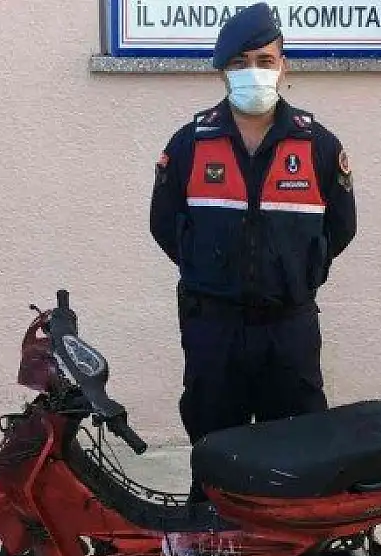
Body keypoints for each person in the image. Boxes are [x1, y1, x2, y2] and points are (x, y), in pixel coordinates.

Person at [149, 2, 357, 498]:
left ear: (284, 66)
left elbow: (341, 229)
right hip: (214, 327)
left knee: (299, 458)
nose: (254, 72)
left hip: (288, 328)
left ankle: (286, 548)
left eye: (265, 60)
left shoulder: (318, 145)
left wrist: (294, 273)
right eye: (241, 62)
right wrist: (213, 273)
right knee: (215, 454)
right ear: (223, 70)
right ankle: (211, 540)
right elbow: (165, 227)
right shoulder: (189, 144)